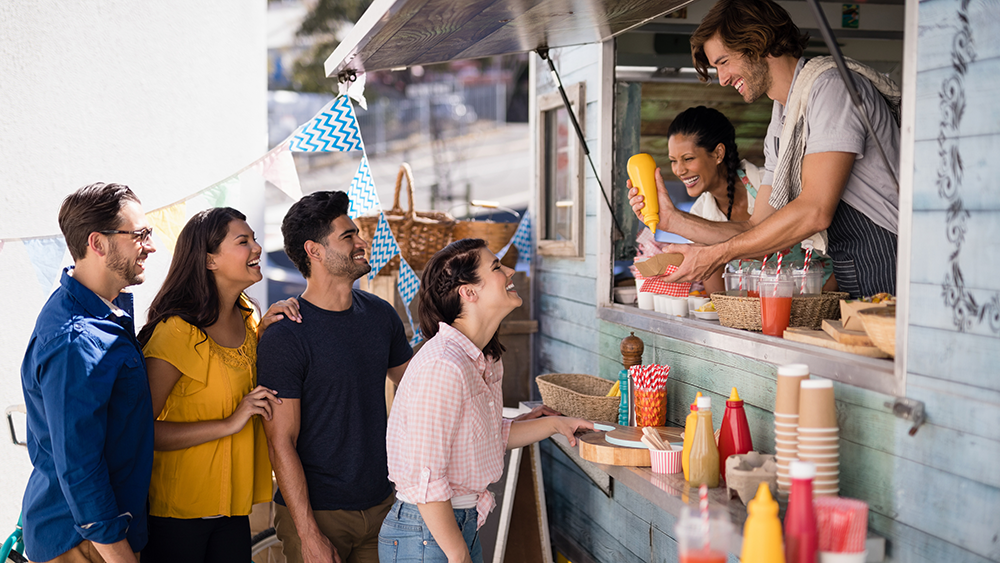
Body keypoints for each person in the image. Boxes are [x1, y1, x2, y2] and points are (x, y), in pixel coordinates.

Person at [628, 0, 900, 298]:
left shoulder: (831, 90)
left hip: (890, 256)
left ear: (756, 43)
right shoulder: (783, 116)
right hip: (855, 262)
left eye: (723, 62)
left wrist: (717, 255)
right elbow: (757, 226)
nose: (722, 80)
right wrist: (672, 219)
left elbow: (814, 211)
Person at [379, 239, 593, 563]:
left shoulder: (483, 359)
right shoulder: (444, 366)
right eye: (496, 267)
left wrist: (553, 424)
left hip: (455, 526)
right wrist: (457, 553)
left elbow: (486, 440)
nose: (509, 270)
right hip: (427, 534)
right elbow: (427, 477)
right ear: (468, 292)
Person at [136, 207, 301, 562]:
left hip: (233, 513)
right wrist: (229, 424)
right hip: (177, 517)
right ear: (210, 260)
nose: (257, 248)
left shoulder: (249, 317)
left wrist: (267, 334)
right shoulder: (176, 332)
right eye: (243, 241)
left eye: (254, 239)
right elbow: (139, 431)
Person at [258, 191, 414, 563]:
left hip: (384, 504)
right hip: (318, 513)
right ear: (314, 251)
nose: (362, 242)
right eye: (348, 237)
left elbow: (419, 390)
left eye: (358, 234)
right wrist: (308, 533)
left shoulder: (381, 315)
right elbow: (282, 440)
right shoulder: (287, 334)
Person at [20, 183, 156, 563]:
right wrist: (118, 555)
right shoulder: (75, 338)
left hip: (103, 535)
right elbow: (78, 464)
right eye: (140, 235)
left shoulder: (101, 313)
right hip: (83, 543)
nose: (151, 245)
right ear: (98, 243)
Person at [666, 105, 834, 294]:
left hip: (823, 301)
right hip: (764, 314)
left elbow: (832, 239)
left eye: (688, 159)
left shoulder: (770, 184)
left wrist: (821, 303)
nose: (679, 170)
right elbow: (718, 296)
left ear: (718, 153)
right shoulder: (699, 215)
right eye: (673, 160)